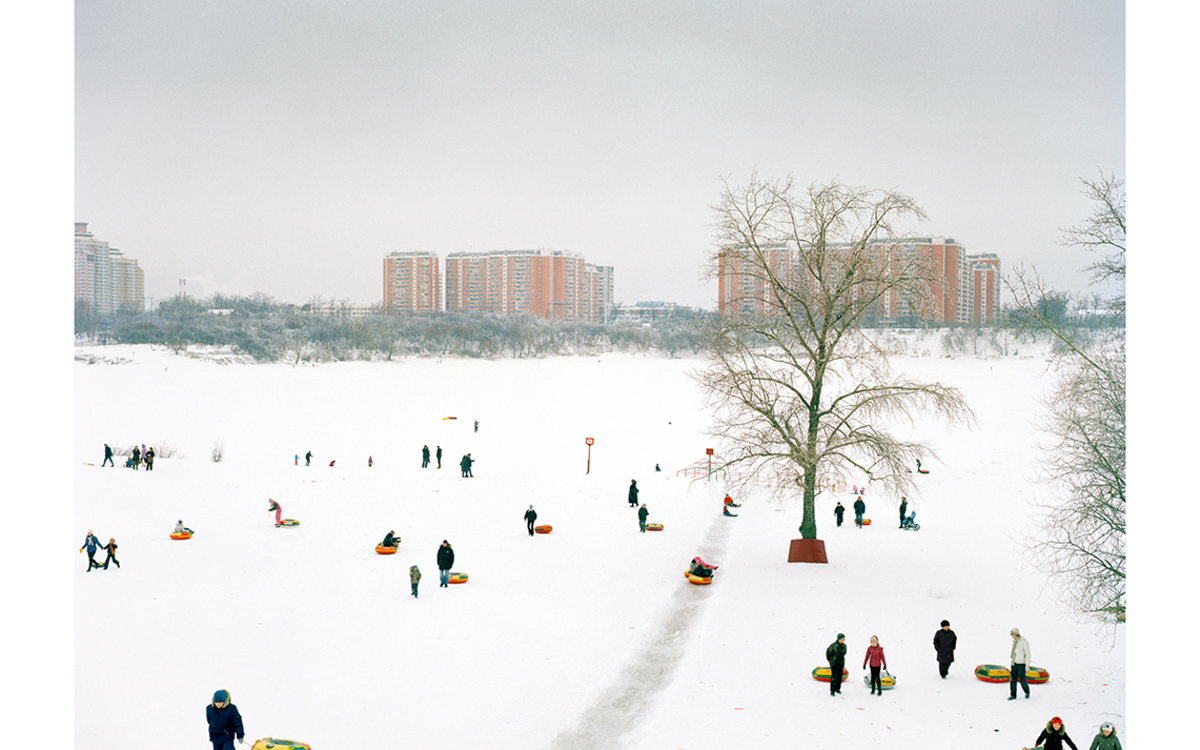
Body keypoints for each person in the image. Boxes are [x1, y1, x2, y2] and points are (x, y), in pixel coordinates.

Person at [1009, 627, 1032, 700]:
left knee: (1022, 680)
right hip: (1014, 663)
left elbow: (1028, 654)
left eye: (1011, 634)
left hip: (1021, 664)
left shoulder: (1023, 642)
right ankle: (1013, 695)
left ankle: (1027, 691)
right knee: (1013, 680)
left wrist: (1027, 665)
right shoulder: (1014, 641)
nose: (1010, 635)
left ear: (1015, 634)